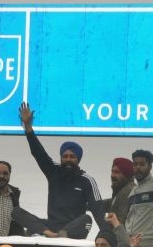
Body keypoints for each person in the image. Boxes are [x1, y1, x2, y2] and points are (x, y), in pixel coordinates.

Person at [14, 102, 107, 238]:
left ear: (78, 159)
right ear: (61, 158)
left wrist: (107, 236)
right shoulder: (53, 171)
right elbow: (38, 153)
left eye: (72, 157)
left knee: (87, 219)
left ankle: (62, 235)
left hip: (74, 228)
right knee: (16, 212)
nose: (68, 159)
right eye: (65, 156)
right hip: (51, 226)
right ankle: (50, 234)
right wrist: (28, 127)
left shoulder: (87, 180)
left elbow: (98, 210)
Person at [103, 157, 135, 224]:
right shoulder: (121, 190)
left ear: (127, 175)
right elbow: (110, 203)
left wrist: (105, 225)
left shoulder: (128, 191)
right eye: (112, 171)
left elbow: (121, 222)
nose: (112, 175)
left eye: (117, 172)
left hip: (119, 234)